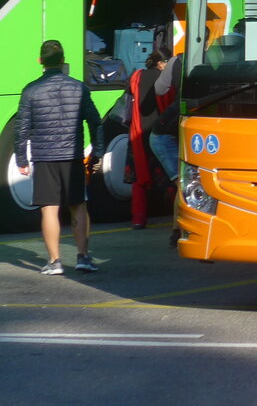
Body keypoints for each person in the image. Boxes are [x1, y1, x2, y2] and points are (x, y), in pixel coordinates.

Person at [14, 39, 103, 275]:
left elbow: (21, 128)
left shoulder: (30, 90)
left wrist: (22, 160)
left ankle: (54, 262)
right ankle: (83, 257)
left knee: (49, 209)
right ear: (63, 60)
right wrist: (98, 152)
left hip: (44, 157)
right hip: (72, 155)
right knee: (78, 206)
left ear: (40, 61)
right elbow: (95, 121)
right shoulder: (79, 87)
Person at [125, 48, 174, 229]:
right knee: (170, 176)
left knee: (139, 180)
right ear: (161, 63)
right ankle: (176, 217)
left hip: (138, 133)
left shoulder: (136, 76)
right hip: (161, 132)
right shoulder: (164, 79)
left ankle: (138, 219)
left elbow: (128, 96)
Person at [149, 51, 182, 246]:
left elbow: (160, 88)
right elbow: (159, 89)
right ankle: (177, 230)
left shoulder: (178, 60)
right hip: (164, 136)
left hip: (168, 133)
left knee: (186, 182)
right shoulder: (179, 60)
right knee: (183, 183)